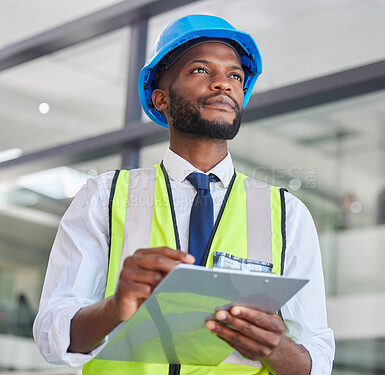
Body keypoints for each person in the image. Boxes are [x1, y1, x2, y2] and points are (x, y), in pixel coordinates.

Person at [34, 14, 334, 375]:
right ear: (161, 98)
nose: (224, 84)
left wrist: (276, 347)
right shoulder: (105, 196)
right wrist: (115, 308)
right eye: (201, 71)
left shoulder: (287, 214)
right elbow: (54, 336)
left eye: (235, 75)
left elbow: (316, 357)